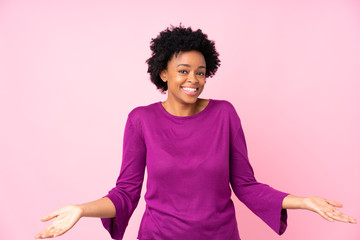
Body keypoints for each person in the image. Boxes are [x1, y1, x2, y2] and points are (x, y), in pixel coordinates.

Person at [35, 25, 357, 240]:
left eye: (201, 72)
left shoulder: (224, 114)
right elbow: (126, 193)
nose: (194, 79)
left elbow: (245, 185)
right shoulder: (141, 120)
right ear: (163, 72)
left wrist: (302, 201)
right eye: (184, 71)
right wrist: (81, 209)